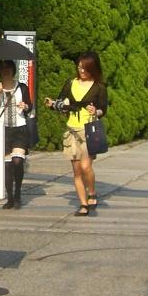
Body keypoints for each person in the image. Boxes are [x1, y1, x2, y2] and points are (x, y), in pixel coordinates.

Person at [45, 51, 107, 217]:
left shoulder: (99, 87)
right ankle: (83, 204)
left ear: (93, 69)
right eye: (79, 67)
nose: (81, 71)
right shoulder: (70, 83)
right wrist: (53, 104)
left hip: (88, 130)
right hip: (71, 130)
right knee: (77, 170)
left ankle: (92, 192)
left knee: (86, 166)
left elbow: (103, 109)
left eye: (85, 68)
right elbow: (60, 103)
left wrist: (96, 111)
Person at [0, 59, 35, 208]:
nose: (5, 71)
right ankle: (10, 198)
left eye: (8, 68)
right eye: (2, 68)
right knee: (7, 166)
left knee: (17, 161)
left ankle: (18, 193)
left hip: (20, 128)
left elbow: (29, 106)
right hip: (3, 130)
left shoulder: (22, 87)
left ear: (13, 70)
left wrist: (25, 106)